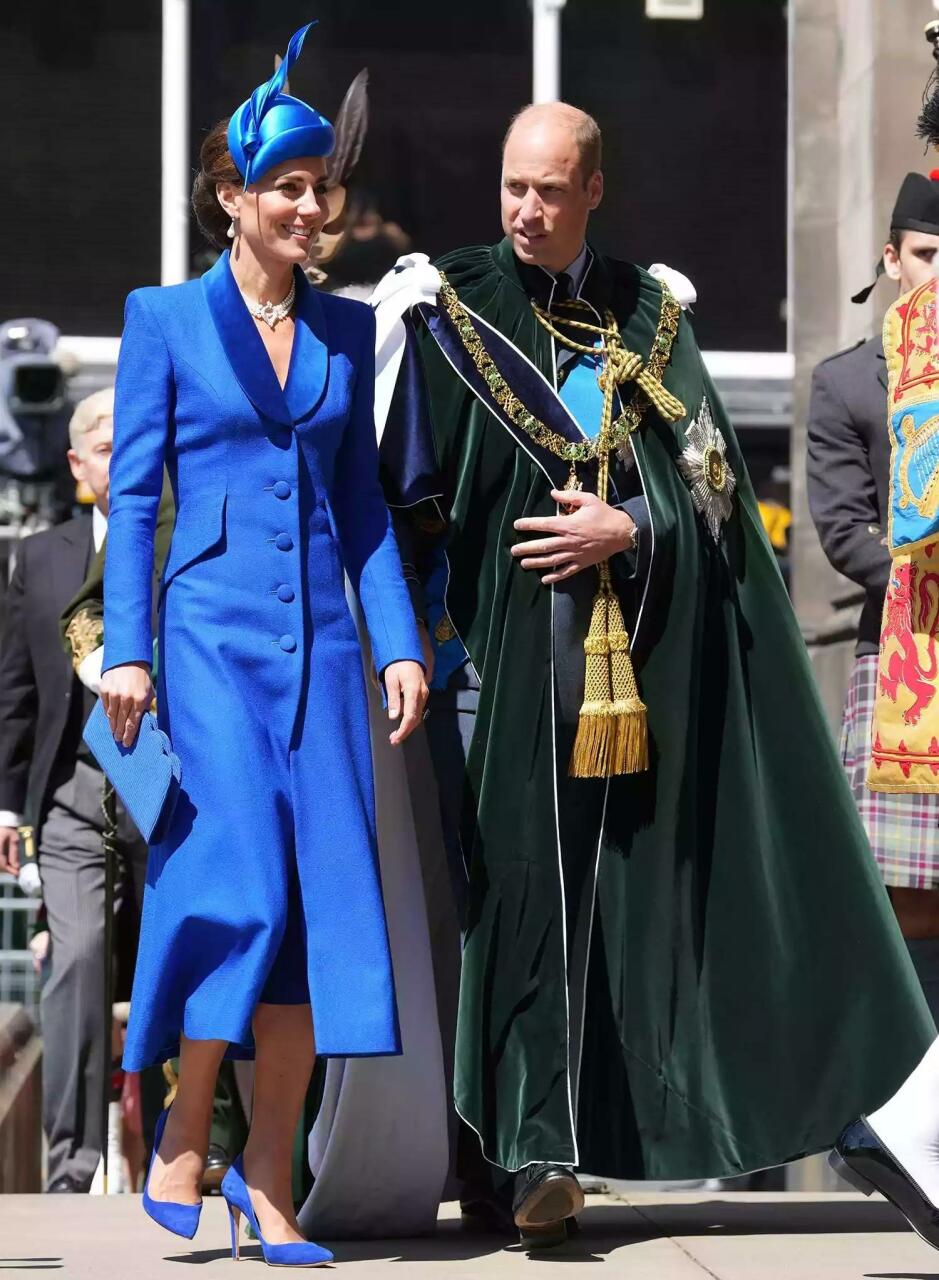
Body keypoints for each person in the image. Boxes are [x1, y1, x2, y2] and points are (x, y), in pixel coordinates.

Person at [374, 100, 935, 1246]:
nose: (526, 210)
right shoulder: (445, 305)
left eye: (549, 190)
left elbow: (715, 488)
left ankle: (813, 1115)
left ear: (593, 191)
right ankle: (529, 1151)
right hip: (494, 657)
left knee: (635, 911)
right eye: (512, 185)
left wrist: (630, 525)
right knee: (519, 893)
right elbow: (397, 502)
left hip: (641, 667)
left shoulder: (653, 312)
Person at [99, 23, 427, 1267]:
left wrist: (396, 642)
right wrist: (127, 647)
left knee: (309, 920)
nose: (308, 205)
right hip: (207, 644)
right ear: (231, 197)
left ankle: (271, 1175)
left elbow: (362, 507)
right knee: (239, 881)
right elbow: (136, 496)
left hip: (325, 655)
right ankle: (188, 1121)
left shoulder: (345, 330)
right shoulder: (164, 319)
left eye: (318, 186)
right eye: (285, 186)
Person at [0, 387, 149, 1192]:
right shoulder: (37, 557)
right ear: (77, 465)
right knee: (79, 957)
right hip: (70, 787)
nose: (121, 462)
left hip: (171, 784)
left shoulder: (186, 538)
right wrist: (6, 804)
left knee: (178, 956)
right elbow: (15, 692)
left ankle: (190, 1153)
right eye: (105, 449)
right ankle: (70, 1168)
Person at [807, 172, 939, 1025]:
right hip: (901, 658)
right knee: (908, 899)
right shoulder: (850, 381)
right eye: (927, 255)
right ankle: (912, 1085)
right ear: (891, 259)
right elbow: (843, 530)